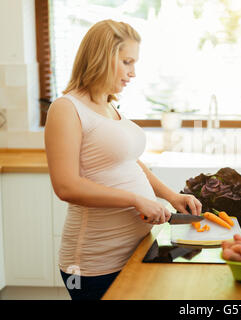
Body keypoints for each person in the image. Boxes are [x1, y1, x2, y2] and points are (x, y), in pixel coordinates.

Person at [44, 19, 202, 300]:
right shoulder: (66, 108)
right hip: (94, 263)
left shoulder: (109, 105)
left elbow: (129, 162)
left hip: (136, 249)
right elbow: (66, 187)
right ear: (103, 58)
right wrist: (134, 199)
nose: (133, 72)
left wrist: (171, 197)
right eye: (127, 62)